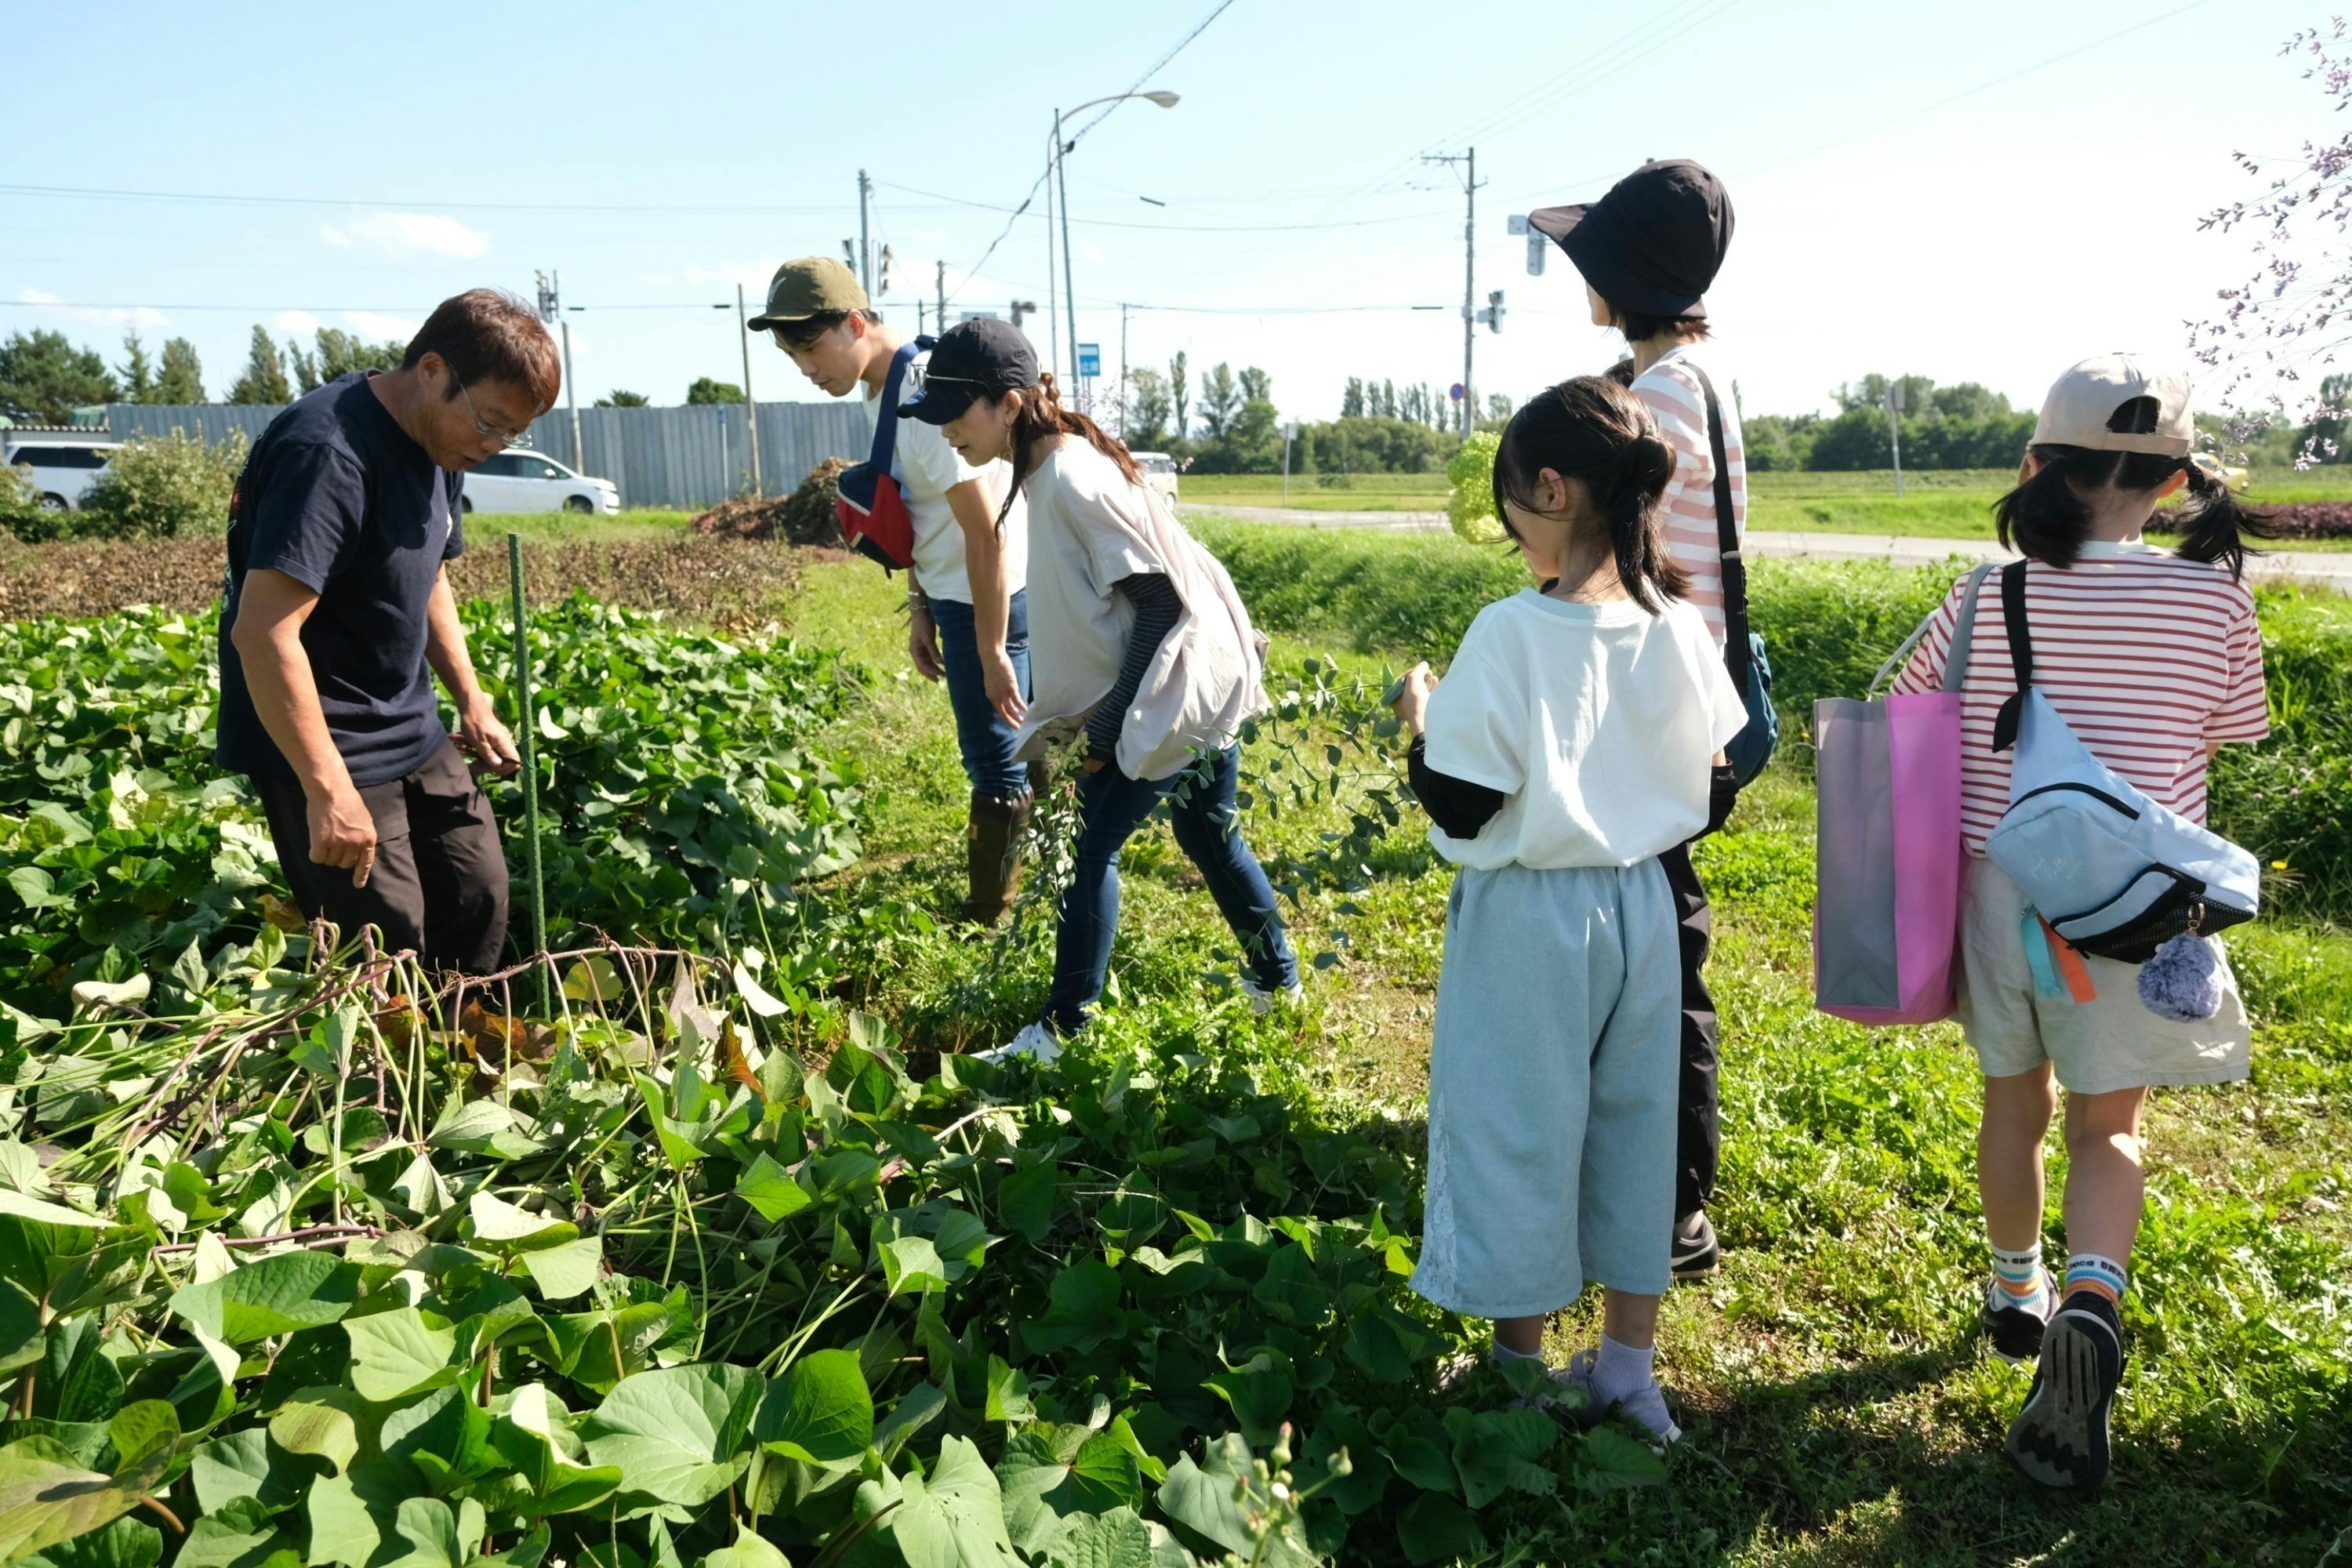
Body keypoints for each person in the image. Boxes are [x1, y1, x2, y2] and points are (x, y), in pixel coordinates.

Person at [1889, 355, 2274, 1490]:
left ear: (2037, 468)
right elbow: (2219, 737)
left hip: (2000, 889)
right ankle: (2093, 1301)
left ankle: (2018, 1292)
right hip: (2132, 906)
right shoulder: (2215, 599)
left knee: (2016, 1103)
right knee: (2110, 1129)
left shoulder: (1983, 592)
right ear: (2178, 483)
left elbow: (1911, 712)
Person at [1393, 377, 1745, 1444]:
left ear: (1549, 489)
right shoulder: (1678, 625)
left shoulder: (1509, 632)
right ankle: (1630, 1370)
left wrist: (1423, 718)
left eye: (1512, 507)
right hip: (1643, 905)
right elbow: (1717, 781)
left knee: (1517, 1129)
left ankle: (1516, 1372)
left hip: (1528, 918)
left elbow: (1458, 795)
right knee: (1638, 1131)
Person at [898, 317, 1299, 1062]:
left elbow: (1160, 604)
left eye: (956, 410)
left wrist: (1110, 728)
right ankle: (1278, 981)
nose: (945, 427)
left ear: (1010, 404)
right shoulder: (1047, 466)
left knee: (1083, 851)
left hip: (1175, 689)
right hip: (1192, 678)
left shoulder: (1073, 479)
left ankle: (1061, 1034)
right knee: (1208, 832)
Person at [1532, 157, 1742, 1280]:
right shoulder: (1697, 379)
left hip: (1652, 708)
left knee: (1661, 966)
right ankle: (1659, 1186)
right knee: (1663, 949)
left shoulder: (1657, 398)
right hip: (1689, 697)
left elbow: (1620, 565)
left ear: (1618, 275)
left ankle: (1671, 1204)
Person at [217, 289, 554, 973]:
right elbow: (262, 632)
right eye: (490, 423)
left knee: (477, 891)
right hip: (323, 733)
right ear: (432, 370)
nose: (493, 447)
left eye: (513, 434)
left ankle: (463, 1057)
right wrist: (327, 789)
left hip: (406, 720)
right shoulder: (328, 453)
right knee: (386, 945)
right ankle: (390, 1074)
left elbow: (428, 572)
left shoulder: (440, 443)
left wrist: (471, 698)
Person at [752, 258, 1034, 923]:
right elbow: (914, 508)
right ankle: (1045, 873)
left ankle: (993, 913)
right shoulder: (886, 388)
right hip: (955, 596)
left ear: (855, 323)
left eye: (812, 350)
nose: (808, 369)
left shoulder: (914, 395)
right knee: (1026, 743)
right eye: (794, 358)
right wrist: (919, 606)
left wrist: (991, 649)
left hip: (984, 598)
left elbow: (984, 531)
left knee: (996, 761)